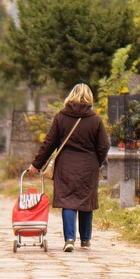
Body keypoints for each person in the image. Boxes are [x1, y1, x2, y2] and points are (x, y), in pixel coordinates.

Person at [29, 83, 110, 251]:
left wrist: (36, 164)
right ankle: (86, 240)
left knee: (68, 201)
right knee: (85, 201)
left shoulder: (61, 117)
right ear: (89, 98)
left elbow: (49, 143)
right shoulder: (95, 120)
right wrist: (97, 162)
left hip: (65, 165)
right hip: (88, 165)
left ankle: (70, 239)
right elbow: (104, 145)